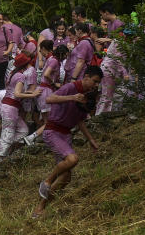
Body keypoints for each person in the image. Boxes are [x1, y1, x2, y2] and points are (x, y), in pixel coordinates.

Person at [33, 65, 103, 219]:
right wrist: (71, 97)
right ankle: (47, 181)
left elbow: (80, 120)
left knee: (66, 178)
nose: (96, 85)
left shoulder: (87, 95)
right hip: (53, 131)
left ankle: (40, 208)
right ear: (86, 77)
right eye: (95, 81)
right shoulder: (71, 87)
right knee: (73, 159)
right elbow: (49, 99)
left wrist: (91, 140)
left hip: (65, 135)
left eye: (98, 83)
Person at [0, 54, 41, 159]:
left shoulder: (13, 74)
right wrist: (33, 94)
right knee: (7, 135)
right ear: (26, 64)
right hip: (10, 107)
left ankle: (5, 147)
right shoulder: (21, 76)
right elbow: (17, 94)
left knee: (23, 130)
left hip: (8, 106)